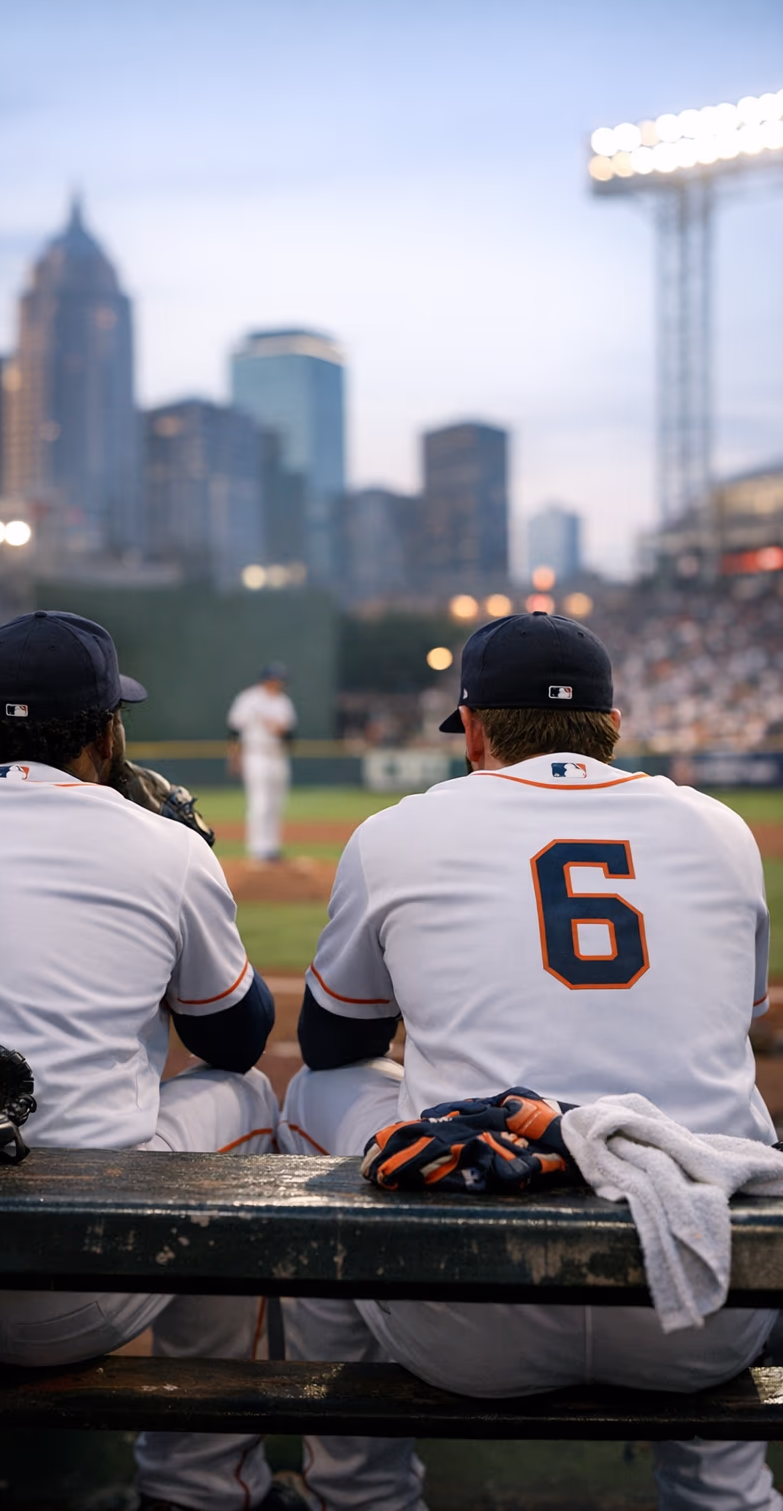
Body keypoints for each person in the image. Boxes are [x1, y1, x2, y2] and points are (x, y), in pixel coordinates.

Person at [278, 611, 780, 1511]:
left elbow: (332, 1043)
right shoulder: (722, 829)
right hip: (701, 1303)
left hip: (470, 1312)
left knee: (312, 1096)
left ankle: (357, 1491)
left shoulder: (396, 832)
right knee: (719, 1110)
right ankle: (729, 1489)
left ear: (473, 730)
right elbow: (739, 1024)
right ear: (612, 725)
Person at [0, 609, 304, 1511]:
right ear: (105, 732)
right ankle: (200, 1487)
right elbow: (233, 1040)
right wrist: (189, 869)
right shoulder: (161, 845)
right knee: (245, 1098)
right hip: (73, 1295)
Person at [227, 662, 297, 862]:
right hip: (255, 754)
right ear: (266, 679)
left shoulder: (283, 702)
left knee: (276, 803)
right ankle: (257, 848)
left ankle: (272, 846)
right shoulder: (249, 699)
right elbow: (234, 730)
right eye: (275, 678)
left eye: (280, 679)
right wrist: (234, 757)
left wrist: (281, 731)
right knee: (259, 803)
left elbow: (291, 735)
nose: (279, 682)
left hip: (278, 755)